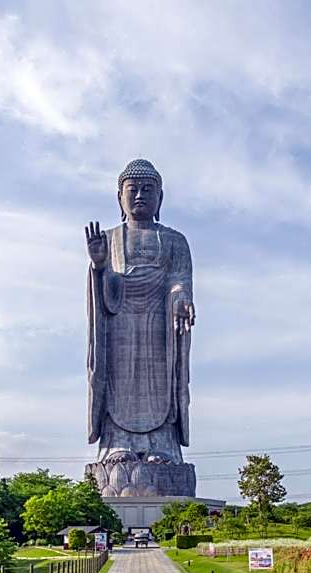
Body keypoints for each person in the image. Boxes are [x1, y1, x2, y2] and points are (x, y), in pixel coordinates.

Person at [86, 159, 196, 466]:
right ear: (119, 197)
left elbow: (179, 279)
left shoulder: (175, 241)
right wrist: (98, 265)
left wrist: (182, 298)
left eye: (148, 190)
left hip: (159, 325)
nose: (139, 196)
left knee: (161, 381)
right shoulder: (108, 239)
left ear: (160, 198)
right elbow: (104, 287)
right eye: (132, 190)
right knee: (117, 381)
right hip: (119, 324)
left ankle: (162, 446)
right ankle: (116, 444)